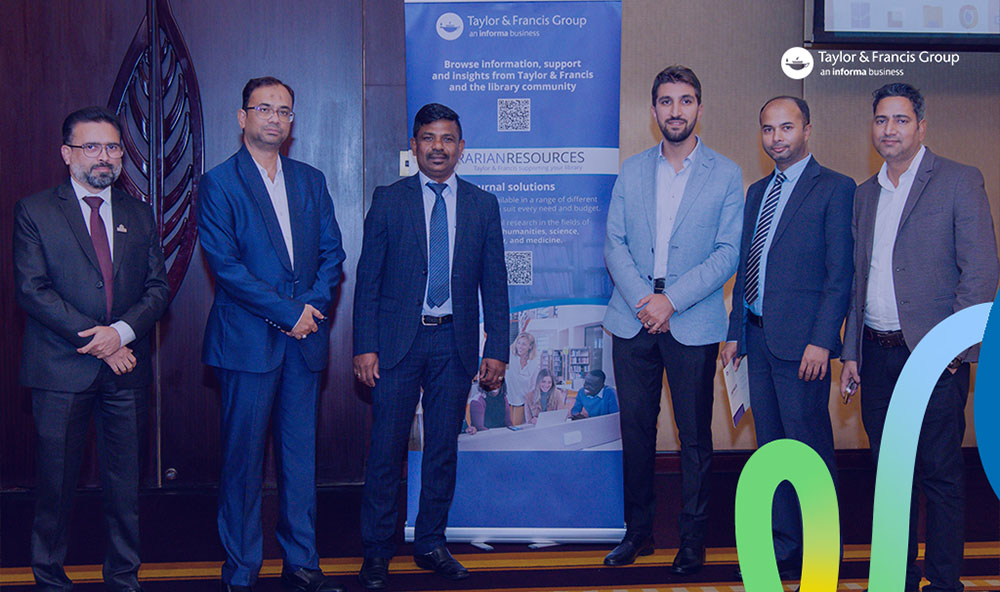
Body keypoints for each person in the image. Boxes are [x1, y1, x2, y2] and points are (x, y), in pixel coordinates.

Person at [839, 82, 999, 592]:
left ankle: (945, 582)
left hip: (933, 358)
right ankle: (898, 579)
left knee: (941, 476)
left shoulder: (958, 180)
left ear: (921, 126)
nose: (890, 130)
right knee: (892, 478)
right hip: (875, 354)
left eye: (901, 120)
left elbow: (981, 273)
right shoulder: (865, 194)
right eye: (881, 120)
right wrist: (850, 352)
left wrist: (950, 351)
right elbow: (857, 281)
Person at [198, 76, 346, 592]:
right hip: (247, 343)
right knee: (242, 464)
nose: (275, 118)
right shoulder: (219, 183)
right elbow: (226, 268)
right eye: (264, 108)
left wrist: (312, 307)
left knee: (299, 460)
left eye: (284, 111)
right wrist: (289, 312)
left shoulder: (311, 180)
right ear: (243, 117)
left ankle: (302, 562)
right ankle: (241, 570)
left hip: (304, 343)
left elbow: (332, 254)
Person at [353, 102, 509, 590]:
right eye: (428, 138)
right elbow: (368, 279)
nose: (438, 147)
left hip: (454, 343)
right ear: (414, 145)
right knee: (386, 451)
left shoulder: (483, 205)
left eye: (447, 139)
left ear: (461, 148)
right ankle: (377, 552)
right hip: (398, 344)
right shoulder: (389, 200)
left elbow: (495, 283)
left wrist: (498, 347)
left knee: (442, 450)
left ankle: (431, 543)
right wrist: (365, 345)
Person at [13, 106, 169, 591]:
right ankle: (50, 579)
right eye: (92, 147)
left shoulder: (139, 213)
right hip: (60, 371)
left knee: (126, 488)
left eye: (113, 147)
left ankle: (123, 577)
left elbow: (157, 289)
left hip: (126, 371)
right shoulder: (36, 210)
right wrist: (102, 341)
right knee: (55, 487)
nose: (105, 156)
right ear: (67, 154)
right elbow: (32, 290)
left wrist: (120, 333)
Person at [603, 65, 743, 574]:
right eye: (666, 101)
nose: (675, 110)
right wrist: (646, 300)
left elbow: (727, 252)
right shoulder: (632, 169)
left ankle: (692, 540)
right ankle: (637, 533)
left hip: (693, 319)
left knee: (695, 436)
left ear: (699, 108)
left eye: (685, 101)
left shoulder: (726, 173)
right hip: (632, 317)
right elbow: (614, 243)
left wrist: (671, 301)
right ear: (654, 110)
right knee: (637, 431)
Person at [721, 96, 854, 579]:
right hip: (756, 341)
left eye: (786, 128)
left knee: (809, 452)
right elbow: (747, 266)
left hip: (804, 348)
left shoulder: (835, 188)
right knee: (772, 451)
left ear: (807, 130)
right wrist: (735, 333)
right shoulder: (757, 190)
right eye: (768, 129)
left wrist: (823, 339)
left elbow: (840, 273)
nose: (776, 138)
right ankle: (784, 548)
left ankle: (823, 554)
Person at [505, 331, 539, 425]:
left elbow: (534, 383)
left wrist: (530, 401)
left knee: (519, 427)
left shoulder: (534, 362)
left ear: (530, 347)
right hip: (508, 399)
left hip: (523, 401)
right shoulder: (510, 356)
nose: (520, 346)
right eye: (518, 343)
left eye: (524, 344)